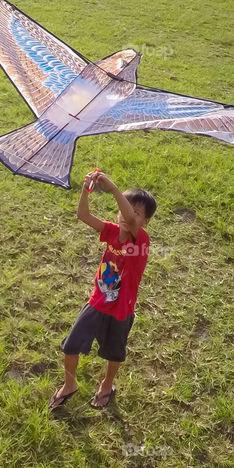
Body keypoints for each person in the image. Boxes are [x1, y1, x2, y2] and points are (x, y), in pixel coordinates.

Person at [49, 170, 156, 410]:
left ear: (145, 222)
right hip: (98, 301)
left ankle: (107, 385)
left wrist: (114, 189)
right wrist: (85, 189)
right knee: (71, 344)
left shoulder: (141, 241)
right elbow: (83, 215)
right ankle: (69, 385)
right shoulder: (110, 231)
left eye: (136, 213)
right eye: (125, 208)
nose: (127, 215)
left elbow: (129, 220)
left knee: (113, 353)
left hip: (121, 309)